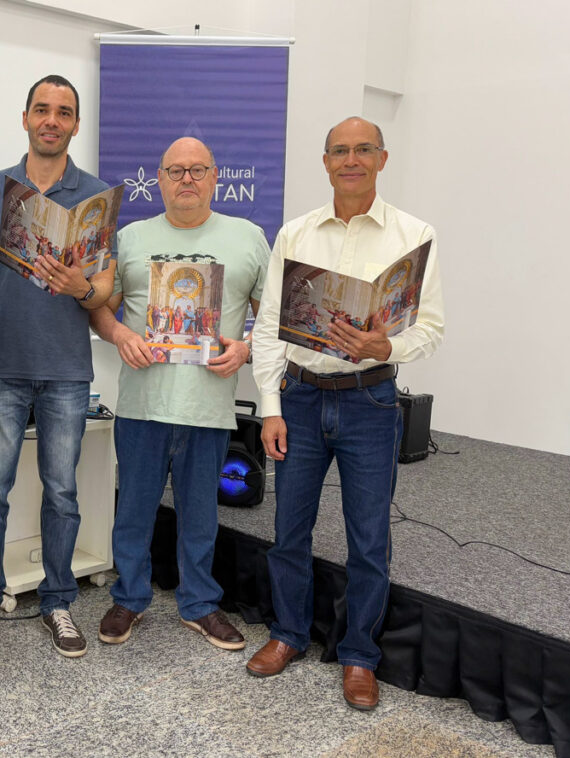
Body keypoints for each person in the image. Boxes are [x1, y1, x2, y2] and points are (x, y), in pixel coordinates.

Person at [246, 117, 445, 710]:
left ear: (382, 159)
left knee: (368, 537)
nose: (350, 160)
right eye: (340, 151)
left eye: (363, 150)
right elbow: (268, 327)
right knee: (289, 531)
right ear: (326, 162)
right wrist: (270, 407)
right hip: (301, 399)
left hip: (370, 401)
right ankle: (287, 634)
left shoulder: (414, 235)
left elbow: (431, 329)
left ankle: (360, 655)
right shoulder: (296, 234)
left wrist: (387, 345)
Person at [0, 74, 116, 659]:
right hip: (1, 367)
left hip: (68, 370)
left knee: (63, 491)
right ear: (25, 118)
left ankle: (59, 601)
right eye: (41, 109)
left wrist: (80, 286)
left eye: (63, 112)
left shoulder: (96, 196)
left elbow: (104, 290)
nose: (51, 120)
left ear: (76, 124)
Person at [88, 137, 269, 648]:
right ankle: (129, 597)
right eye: (175, 171)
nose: (186, 179)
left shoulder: (249, 238)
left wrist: (246, 348)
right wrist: (121, 336)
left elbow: (273, 319)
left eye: (197, 170)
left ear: (215, 177)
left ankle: (200, 604)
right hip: (142, 405)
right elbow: (99, 309)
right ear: (160, 180)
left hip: (208, 407)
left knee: (201, 517)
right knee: (133, 511)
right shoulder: (130, 238)